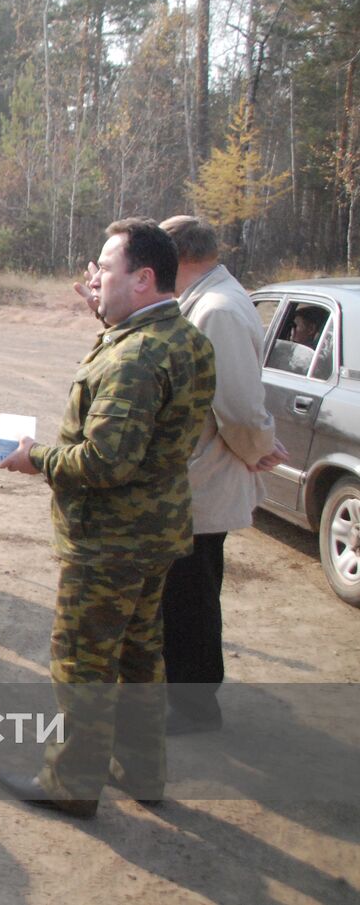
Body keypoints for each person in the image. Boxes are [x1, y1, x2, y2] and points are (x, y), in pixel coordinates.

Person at [0, 218, 215, 818]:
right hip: (156, 534)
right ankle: (141, 770)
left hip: (110, 542)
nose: (96, 279)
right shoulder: (182, 336)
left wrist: (33, 456)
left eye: (106, 269)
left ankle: (70, 784)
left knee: (84, 664)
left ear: (143, 279)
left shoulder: (137, 357)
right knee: (142, 657)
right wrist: (102, 308)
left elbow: (105, 460)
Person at [157, 216, 285, 734]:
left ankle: (195, 706)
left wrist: (256, 450)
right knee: (184, 590)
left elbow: (236, 405)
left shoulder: (219, 310)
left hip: (205, 479)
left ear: (177, 258)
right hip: (197, 476)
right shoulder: (207, 301)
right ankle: (186, 694)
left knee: (192, 596)